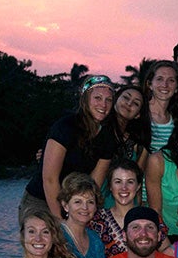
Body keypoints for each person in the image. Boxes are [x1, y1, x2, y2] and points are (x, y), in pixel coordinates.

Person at [20, 75, 115, 222]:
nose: (103, 104)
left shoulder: (107, 137)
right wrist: (62, 222)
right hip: (41, 200)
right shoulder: (65, 127)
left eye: (108, 100)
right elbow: (49, 179)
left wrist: (79, 214)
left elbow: (93, 184)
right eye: (97, 98)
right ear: (85, 99)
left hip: (75, 205)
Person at [89, 158, 170, 258]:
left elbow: (167, 251)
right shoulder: (97, 220)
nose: (124, 187)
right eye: (118, 182)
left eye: (130, 182)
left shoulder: (149, 216)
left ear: (138, 186)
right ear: (110, 186)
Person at [102, 85, 151, 208]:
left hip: (126, 205)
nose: (129, 103)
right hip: (96, 202)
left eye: (136, 103)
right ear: (115, 99)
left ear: (138, 114)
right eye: (126, 98)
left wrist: (137, 210)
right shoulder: (98, 132)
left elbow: (137, 181)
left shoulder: (139, 144)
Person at [144, 60, 178, 155]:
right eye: (159, 79)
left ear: (177, 88)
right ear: (149, 84)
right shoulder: (138, 114)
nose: (165, 85)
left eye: (171, 80)